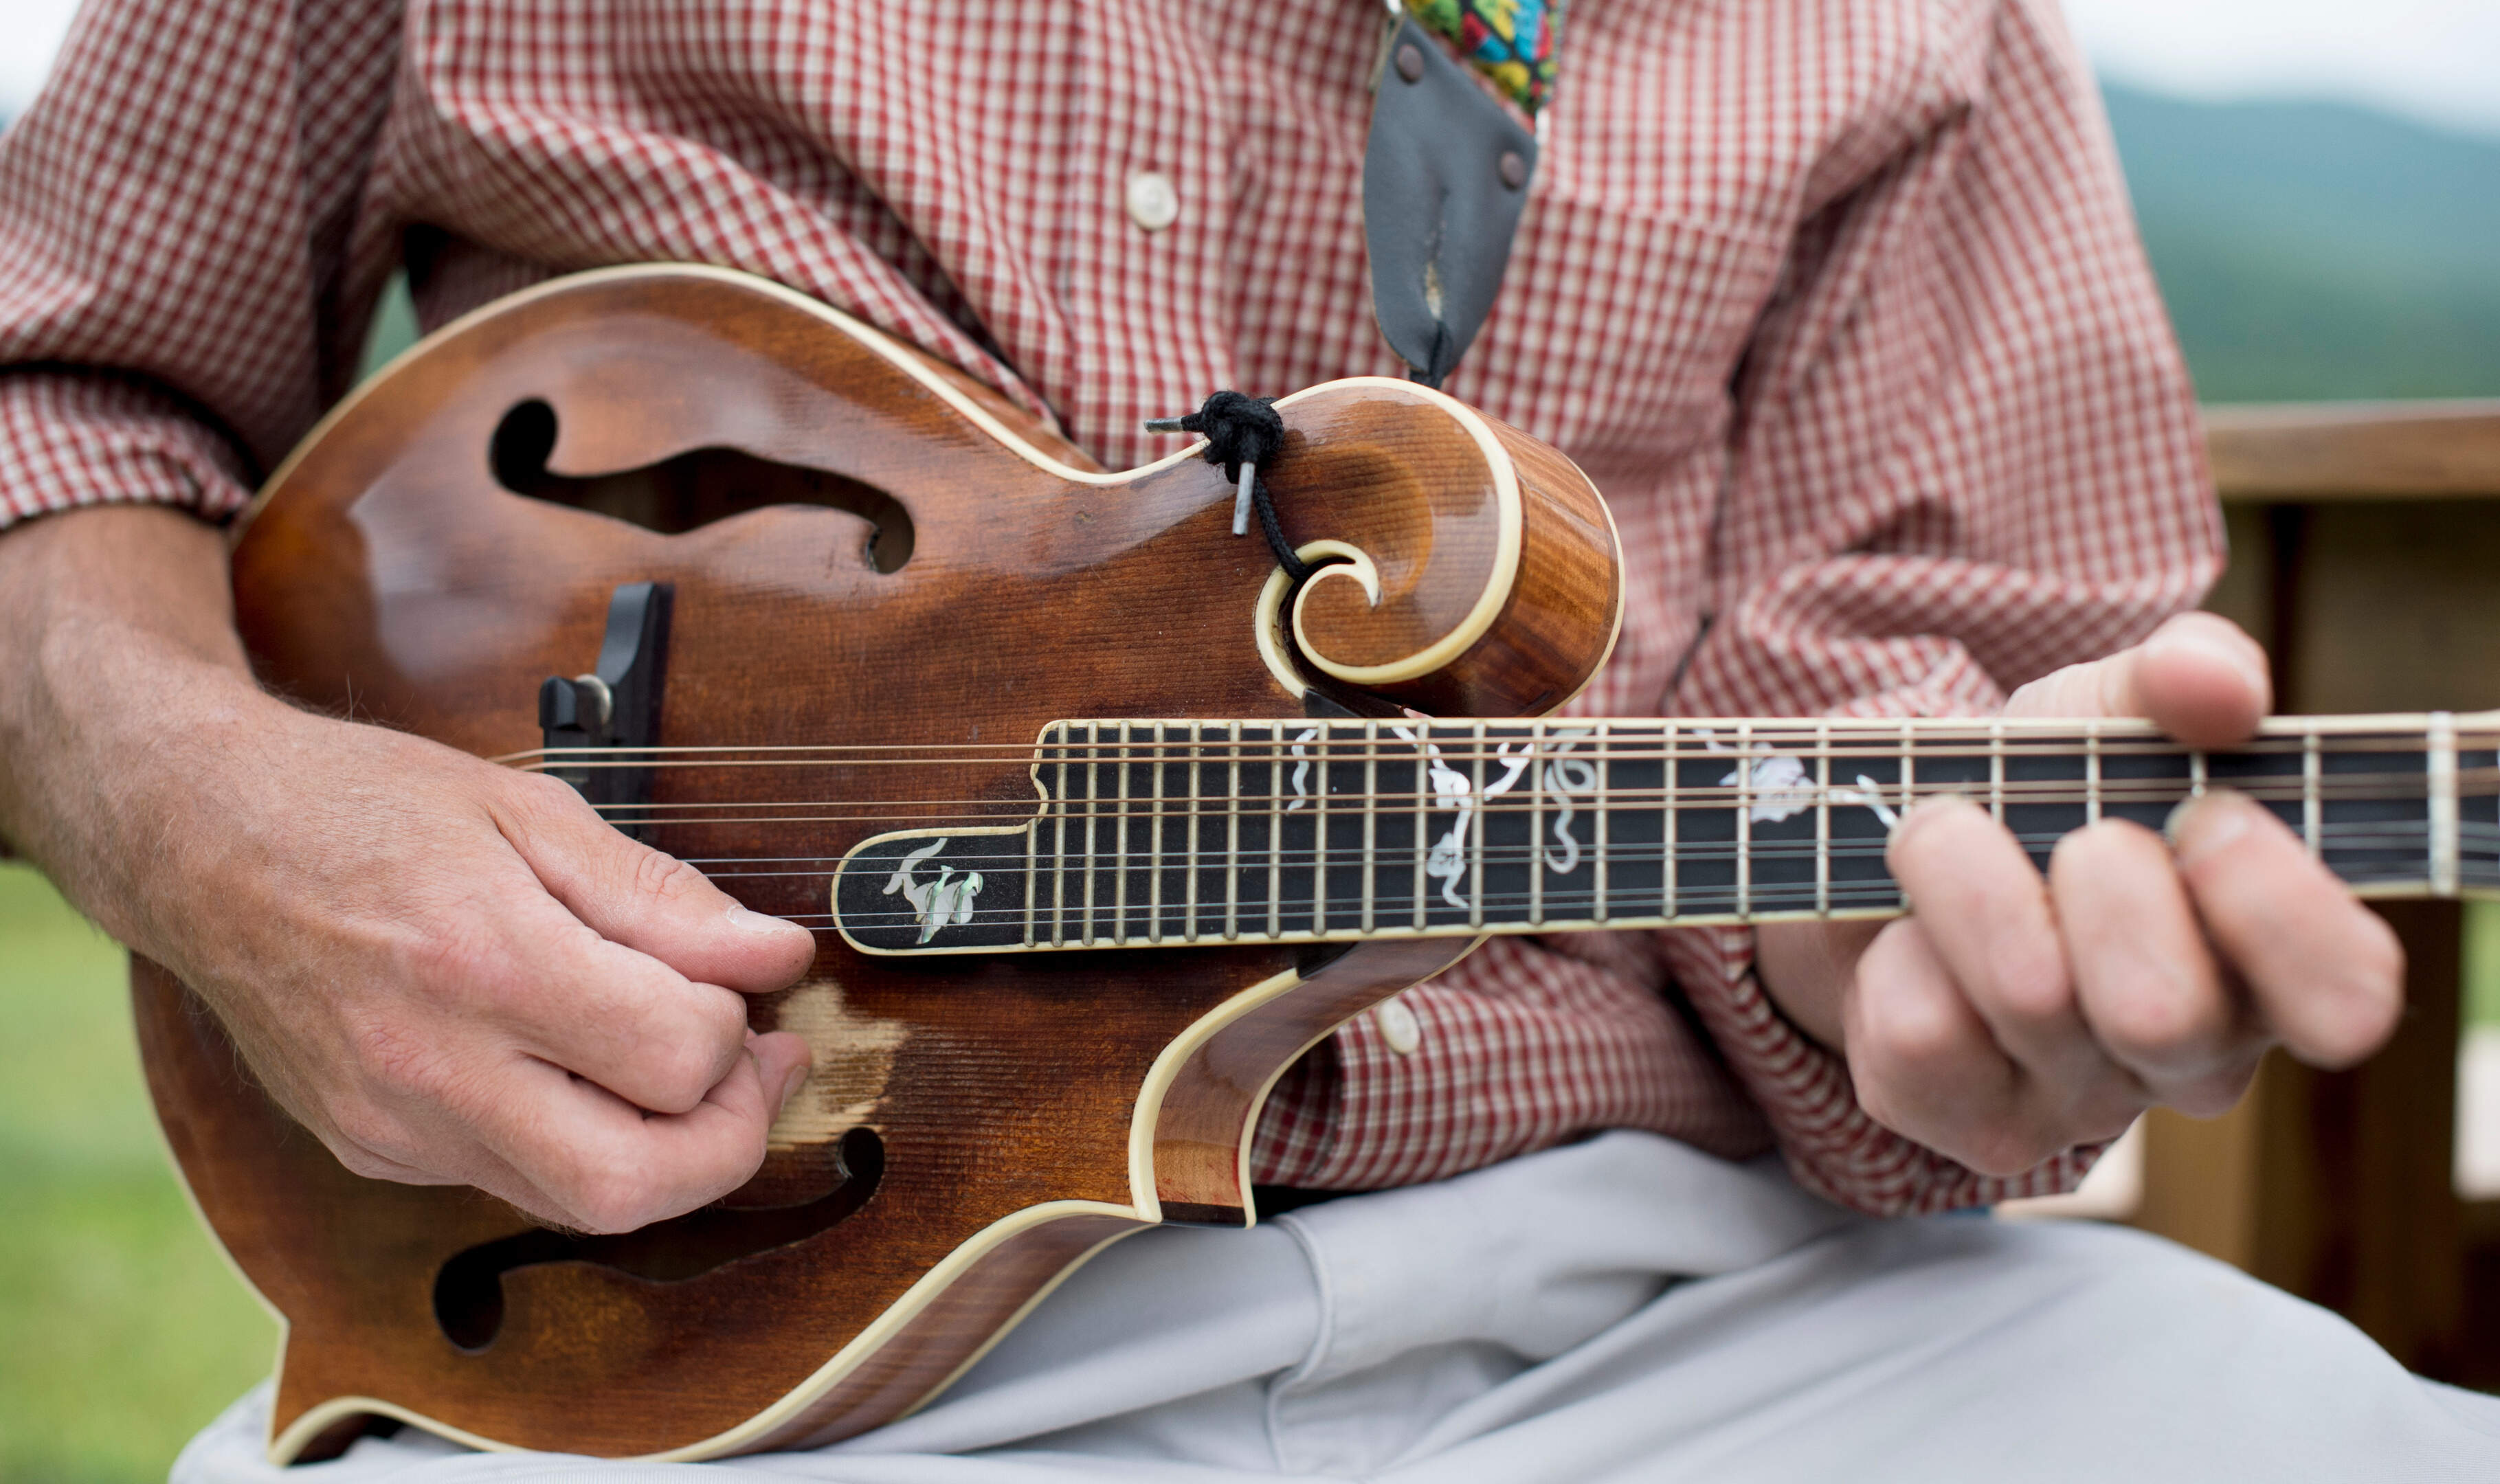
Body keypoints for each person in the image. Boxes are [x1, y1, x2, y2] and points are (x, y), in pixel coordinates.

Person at [2, 0, 2494, 1478]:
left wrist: (1929, 962)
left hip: (1693, 1326)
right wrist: (229, 821)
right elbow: (56, 389)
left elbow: (1908, 712)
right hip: (685, 1345)